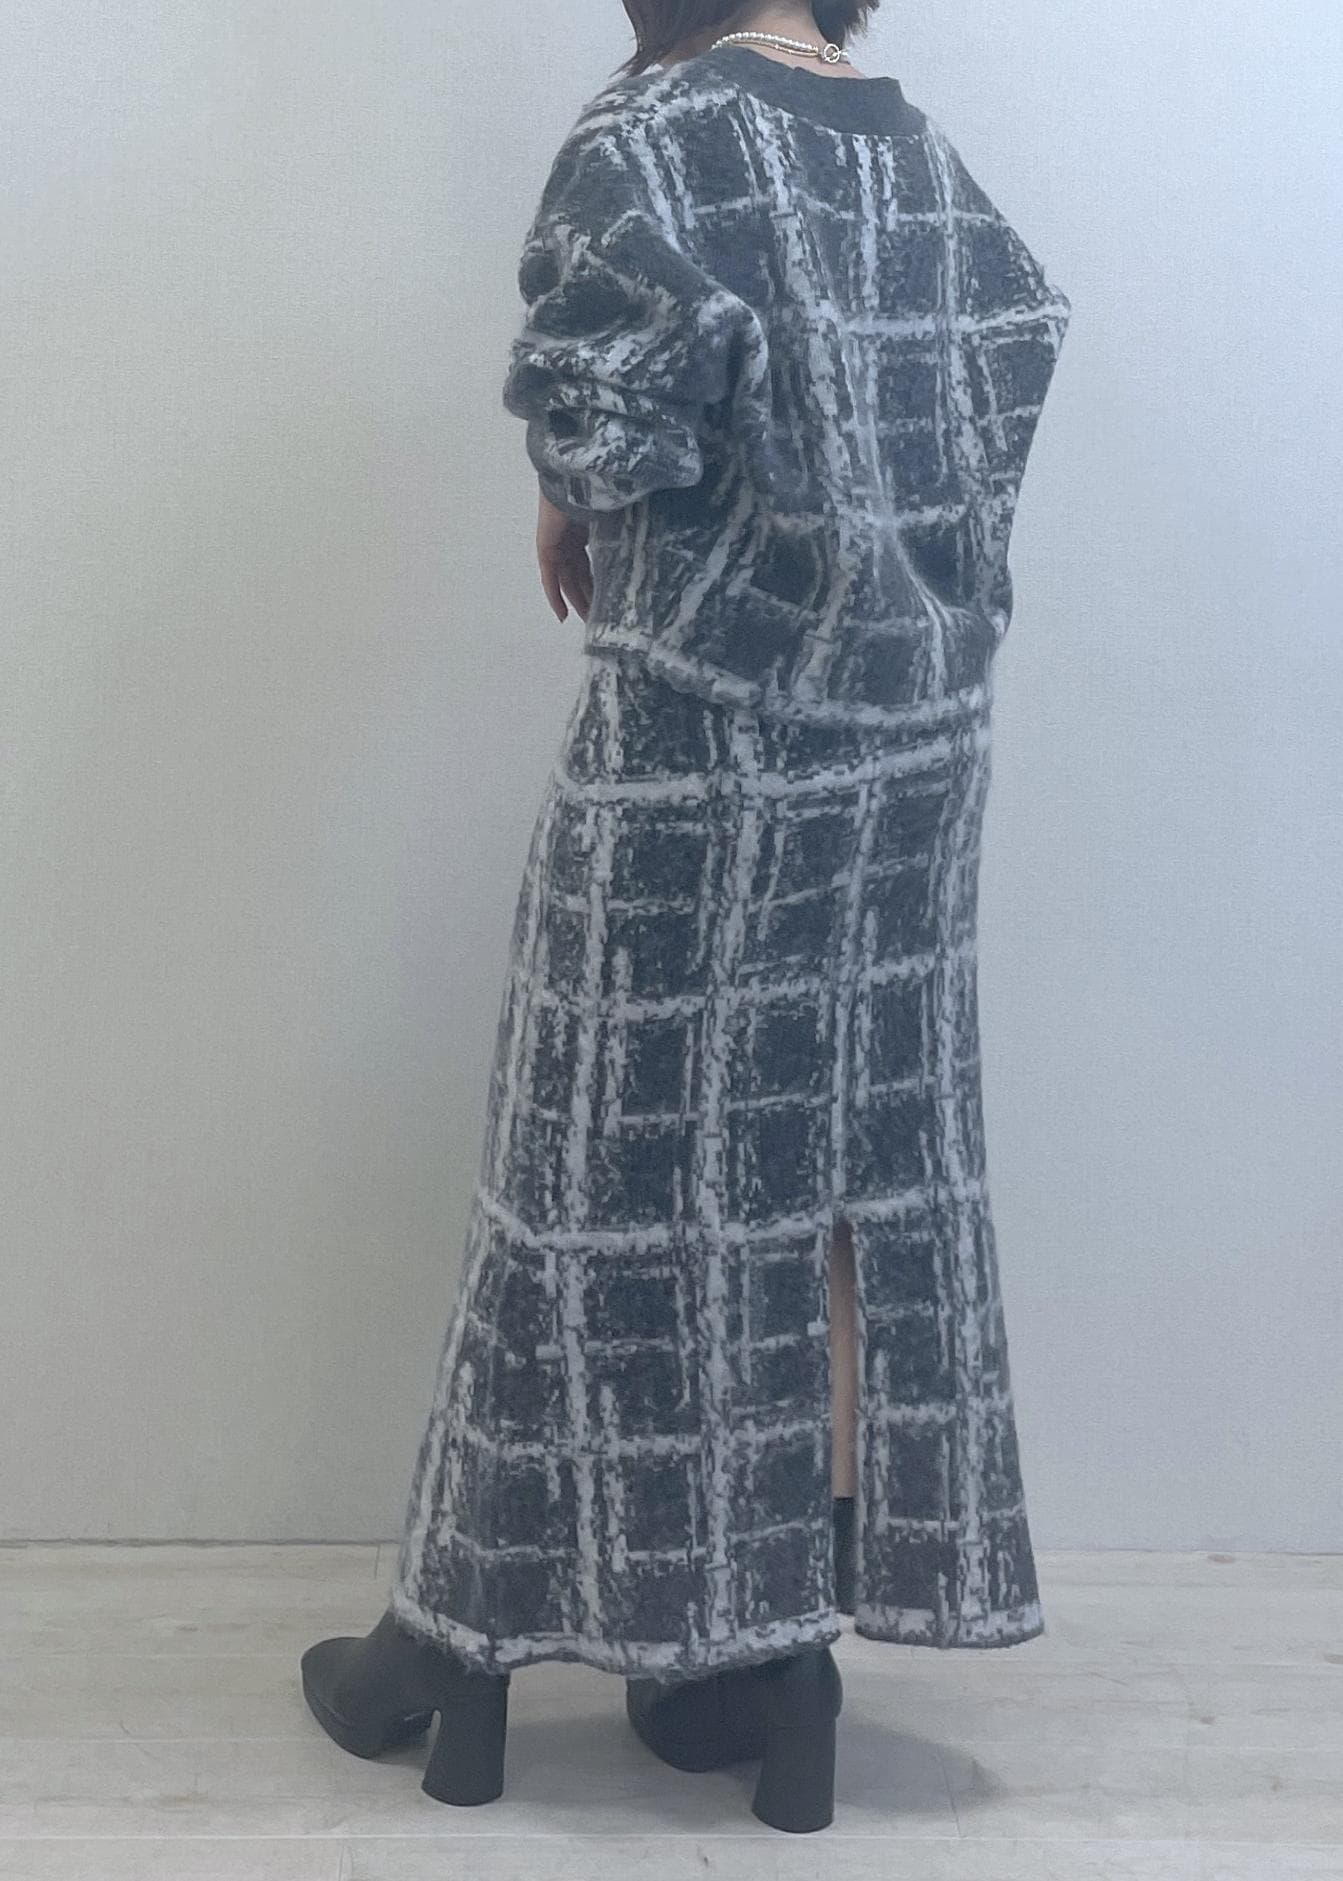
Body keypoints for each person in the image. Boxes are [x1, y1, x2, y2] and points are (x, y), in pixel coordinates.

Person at [300, 0, 1071, 1835]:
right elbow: (1001, 383)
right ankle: (762, 1662)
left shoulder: (653, 135)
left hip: (699, 754)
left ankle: (459, 1643)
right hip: (908, 773)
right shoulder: (929, 165)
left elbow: (604, 426)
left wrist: (564, 493)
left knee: (586, 1181)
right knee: (832, 1185)